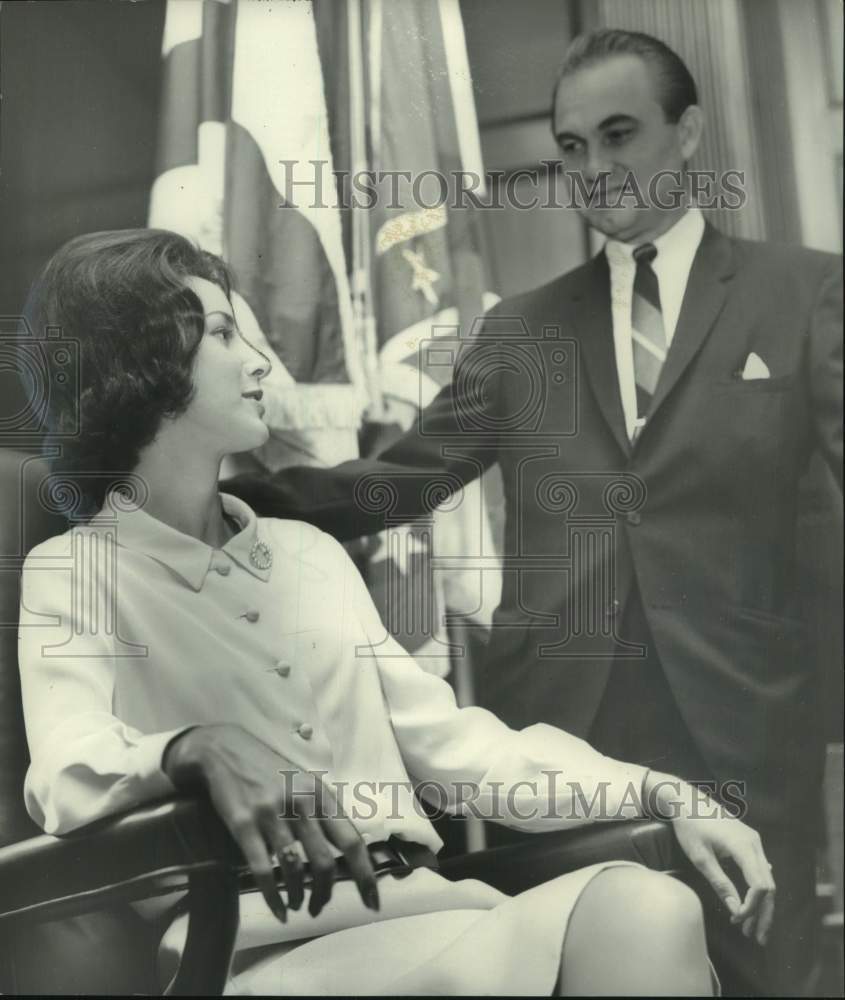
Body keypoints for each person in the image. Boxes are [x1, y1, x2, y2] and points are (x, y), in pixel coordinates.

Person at [222, 29, 843, 997]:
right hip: (564, 730)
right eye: (569, 146)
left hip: (746, 719)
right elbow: (399, 481)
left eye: (617, 133)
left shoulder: (801, 293)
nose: (592, 168)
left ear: (686, 134)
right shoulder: (520, 329)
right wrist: (223, 502)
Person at [16, 228, 775, 996]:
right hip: (256, 947)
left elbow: (459, 751)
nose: (260, 363)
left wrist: (659, 790)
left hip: (423, 908)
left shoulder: (306, 553)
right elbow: (65, 775)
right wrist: (194, 748)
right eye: (221, 335)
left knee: (649, 909)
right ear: (134, 364)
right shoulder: (74, 570)